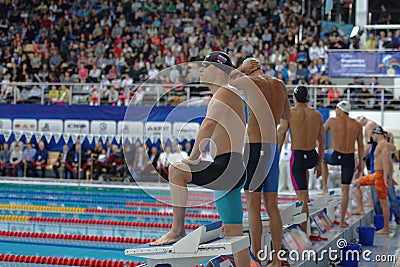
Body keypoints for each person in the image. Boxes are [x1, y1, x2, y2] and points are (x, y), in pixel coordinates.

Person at [150, 52, 250, 267]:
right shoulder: (229, 92)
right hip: (233, 167)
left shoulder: (223, 92)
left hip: (227, 167)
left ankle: (177, 230)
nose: (201, 70)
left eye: (205, 66)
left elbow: (207, 125)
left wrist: (193, 158)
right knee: (234, 232)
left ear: (217, 68)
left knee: (177, 170)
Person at [231, 57, 290, 266]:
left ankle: (256, 257)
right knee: (272, 206)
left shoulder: (251, 83)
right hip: (272, 148)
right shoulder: (280, 85)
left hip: (255, 147)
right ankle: (276, 258)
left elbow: (225, 82)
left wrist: (240, 70)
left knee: (253, 205)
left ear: (250, 68)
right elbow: (286, 119)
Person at [277, 85, 325, 232]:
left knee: (302, 196)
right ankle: (305, 223)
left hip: (297, 156)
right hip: (312, 155)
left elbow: (281, 134)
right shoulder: (317, 115)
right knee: (305, 195)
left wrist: (275, 158)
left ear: (295, 97)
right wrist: (319, 164)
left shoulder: (289, 113)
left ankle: (304, 230)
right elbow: (322, 141)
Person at [320, 101, 363, 227]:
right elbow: (360, 146)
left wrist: (322, 150)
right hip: (349, 158)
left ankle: (325, 188)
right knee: (345, 190)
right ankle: (342, 221)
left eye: (336, 109)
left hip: (336, 155)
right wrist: (360, 162)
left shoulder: (332, 121)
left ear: (340, 110)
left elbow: (320, 135)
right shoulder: (357, 124)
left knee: (323, 159)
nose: (335, 111)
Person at [353, 126, 392, 234]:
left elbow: (386, 162)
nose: (372, 137)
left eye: (373, 135)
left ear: (377, 134)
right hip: (376, 175)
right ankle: (360, 208)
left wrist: (386, 178)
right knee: (356, 183)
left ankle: (386, 228)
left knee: (383, 202)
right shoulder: (380, 144)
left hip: (380, 176)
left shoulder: (383, 144)